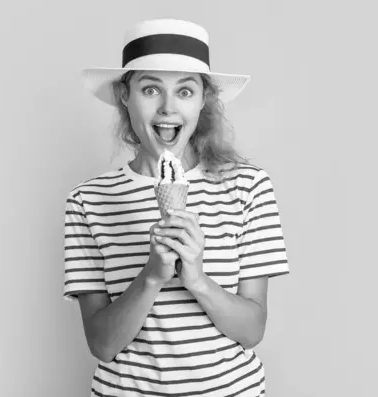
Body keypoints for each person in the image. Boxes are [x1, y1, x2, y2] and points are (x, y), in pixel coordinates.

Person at [63, 18, 290, 396]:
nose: (168, 108)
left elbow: (253, 331)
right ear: (125, 94)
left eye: (185, 92)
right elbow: (102, 345)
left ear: (204, 100)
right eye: (151, 89)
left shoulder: (248, 186)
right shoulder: (88, 200)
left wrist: (197, 279)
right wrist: (152, 276)